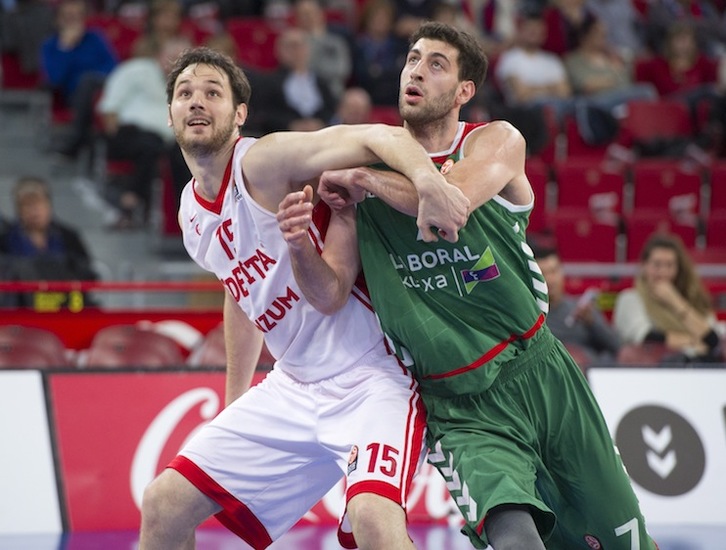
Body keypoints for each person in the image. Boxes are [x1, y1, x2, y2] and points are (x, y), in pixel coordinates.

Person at [277, 21, 659, 548]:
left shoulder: (495, 141)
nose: (416, 71)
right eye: (412, 59)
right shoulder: (362, 162)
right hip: (456, 404)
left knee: (625, 538)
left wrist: (365, 182)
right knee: (514, 537)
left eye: (436, 64)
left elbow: (447, 206)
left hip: (540, 373)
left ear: (464, 92)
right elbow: (329, 293)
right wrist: (300, 245)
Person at [139, 46, 470, 550]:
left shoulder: (265, 162)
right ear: (169, 114)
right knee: (163, 506)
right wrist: (234, 404)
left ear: (239, 114)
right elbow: (240, 292)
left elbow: (375, 135)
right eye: (185, 94)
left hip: (372, 376)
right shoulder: (191, 215)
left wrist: (428, 182)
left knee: (374, 522)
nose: (197, 102)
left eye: (212, 92)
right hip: (292, 384)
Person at [96, 36, 192, 228]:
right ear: (160, 56)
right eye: (172, 57)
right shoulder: (136, 71)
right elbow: (109, 108)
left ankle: (184, 218)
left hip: (168, 142)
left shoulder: (190, 85)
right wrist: (111, 130)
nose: (176, 64)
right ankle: (130, 203)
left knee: (184, 156)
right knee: (150, 145)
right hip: (127, 133)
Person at [613, 232, 724, 364]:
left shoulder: (692, 298)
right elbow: (647, 338)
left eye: (669, 265)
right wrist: (693, 341)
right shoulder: (630, 298)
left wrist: (675, 302)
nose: (663, 272)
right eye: (657, 265)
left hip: (694, 369)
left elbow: (712, 340)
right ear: (644, 266)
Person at [0, 176, 99, 308]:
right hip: (22, 310)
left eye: (38, 204)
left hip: (67, 308)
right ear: (18, 210)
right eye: (27, 205)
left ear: (49, 205)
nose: (33, 211)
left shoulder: (69, 236)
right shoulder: (5, 239)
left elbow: (88, 274)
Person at [41, 0, 118, 160]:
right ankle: (84, 141)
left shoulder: (95, 38)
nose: (73, 22)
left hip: (103, 92)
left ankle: (76, 140)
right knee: (85, 83)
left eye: (77, 17)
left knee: (88, 81)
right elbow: (55, 79)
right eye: (68, 17)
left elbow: (113, 67)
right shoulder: (51, 46)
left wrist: (96, 76)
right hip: (71, 96)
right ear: (58, 20)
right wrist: (66, 48)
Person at [534, 243, 621, 367]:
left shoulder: (582, 307)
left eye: (554, 271)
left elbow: (616, 346)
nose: (550, 279)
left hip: (587, 373)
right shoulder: (531, 315)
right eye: (543, 273)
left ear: (562, 273)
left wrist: (592, 322)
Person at [250, 27, 339, 134]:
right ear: (279, 51)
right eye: (290, 46)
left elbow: (332, 109)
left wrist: (320, 123)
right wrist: (291, 124)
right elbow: (264, 113)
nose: (296, 51)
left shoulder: (321, 82)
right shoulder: (268, 82)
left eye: (299, 45)